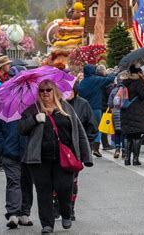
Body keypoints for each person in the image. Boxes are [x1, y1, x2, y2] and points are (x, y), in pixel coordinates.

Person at [18, 80, 92, 233]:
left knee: (64, 188)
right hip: (39, 160)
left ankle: (65, 212)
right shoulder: (33, 109)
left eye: (48, 90)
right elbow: (21, 129)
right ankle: (47, 224)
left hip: (63, 158)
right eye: (42, 90)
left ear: (54, 91)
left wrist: (86, 156)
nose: (45, 93)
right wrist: (34, 119)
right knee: (43, 192)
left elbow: (79, 132)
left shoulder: (65, 107)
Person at [0, 116, 34, 229]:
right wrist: (3, 147)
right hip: (10, 153)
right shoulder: (2, 108)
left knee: (27, 182)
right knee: (13, 181)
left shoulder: (31, 107)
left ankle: (24, 212)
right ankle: (13, 213)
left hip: (29, 152)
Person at [62, 82, 96, 221]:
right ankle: (58, 205)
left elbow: (92, 126)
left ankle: (70, 209)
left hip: (75, 150)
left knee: (72, 181)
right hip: (59, 149)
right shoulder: (56, 105)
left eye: (70, 89)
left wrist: (85, 142)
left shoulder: (83, 104)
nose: (68, 92)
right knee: (57, 181)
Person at [78, 64, 115, 158]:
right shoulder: (96, 80)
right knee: (98, 128)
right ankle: (96, 148)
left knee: (86, 128)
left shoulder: (82, 82)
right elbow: (109, 79)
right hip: (96, 108)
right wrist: (112, 73)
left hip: (84, 109)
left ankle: (87, 148)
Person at [121, 65, 144, 166]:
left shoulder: (125, 82)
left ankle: (127, 158)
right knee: (136, 136)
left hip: (126, 111)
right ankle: (135, 159)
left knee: (128, 136)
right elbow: (142, 95)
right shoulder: (138, 82)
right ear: (138, 72)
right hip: (137, 111)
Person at [98, 65, 115, 151]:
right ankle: (105, 144)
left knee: (99, 125)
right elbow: (110, 93)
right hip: (105, 106)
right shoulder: (105, 81)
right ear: (104, 72)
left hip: (97, 105)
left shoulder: (96, 80)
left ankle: (99, 145)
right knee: (104, 125)